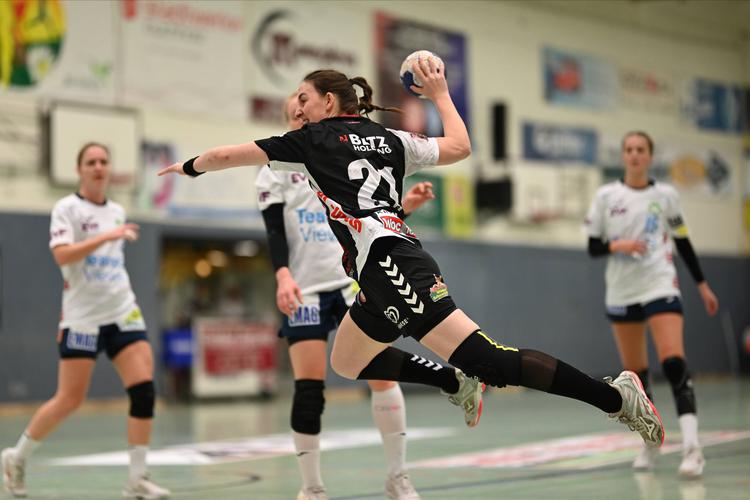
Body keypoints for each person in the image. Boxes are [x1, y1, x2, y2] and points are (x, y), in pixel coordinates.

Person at [158, 60, 665, 464]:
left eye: (304, 99)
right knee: (347, 361)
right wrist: (440, 94)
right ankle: (455, 382)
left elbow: (227, 156)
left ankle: (616, 397)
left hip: (394, 267)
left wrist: (189, 166)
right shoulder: (391, 139)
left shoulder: (311, 140)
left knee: (491, 361)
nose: (298, 107)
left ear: (328, 102)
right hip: (380, 271)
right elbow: (460, 146)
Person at [256, 94, 435, 500]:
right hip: (304, 289)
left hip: (351, 280)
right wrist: (282, 275)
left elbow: (365, 217)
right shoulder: (275, 168)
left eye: (305, 105)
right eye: (293, 109)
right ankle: (312, 488)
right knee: (309, 387)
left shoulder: (338, 152)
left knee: (381, 375)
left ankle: (398, 476)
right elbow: (274, 230)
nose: (300, 111)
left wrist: (405, 208)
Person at [2, 143, 170, 499]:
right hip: (83, 318)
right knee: (69, 400)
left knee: (144, 391)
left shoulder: (117, 210)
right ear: (79, 169)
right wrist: (106, 236)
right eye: (91, 162)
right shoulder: (67, 209)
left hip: (122, 312)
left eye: (103, 161)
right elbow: (62, 255)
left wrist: (111, 235)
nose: (98, 166)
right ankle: (17, 458)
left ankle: (137, 478)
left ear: (109, 169)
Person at [585, 131, 719, 477]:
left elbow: (683, 242)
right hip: (622, 292)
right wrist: (618, 246)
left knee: (673, 362)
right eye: (629, 149)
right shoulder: (606, 196)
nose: (634, 154)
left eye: (640, 149)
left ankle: (692, 448)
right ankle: (650, 442)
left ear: (649, 156)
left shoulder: (666, 196)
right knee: (637, 378)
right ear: (623, 156)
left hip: (660, 284)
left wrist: (703, 286)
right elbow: (593, 246)